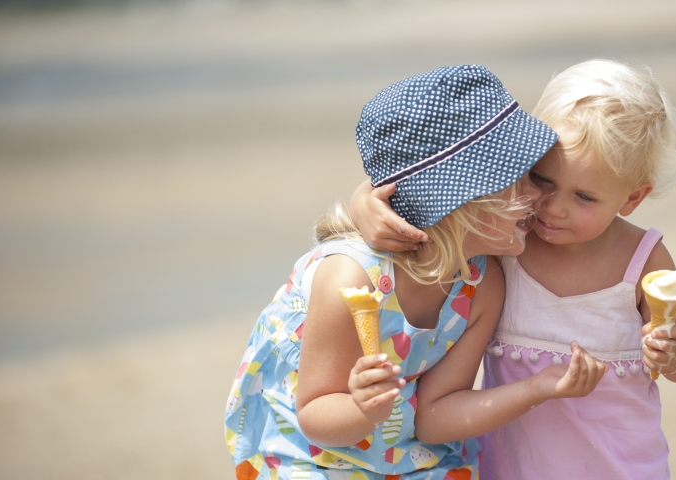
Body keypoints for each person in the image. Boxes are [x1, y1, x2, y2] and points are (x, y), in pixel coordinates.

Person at [224, 64, 610, 480]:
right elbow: (315, 415)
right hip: (306, 456)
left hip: (412, 456)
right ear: (458, 200)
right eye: (516, 180)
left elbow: (434, 416)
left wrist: (536, 389)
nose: (537, 193)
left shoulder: (481, 284)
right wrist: (361, 408)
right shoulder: (350, 279)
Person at [350, 59, 676, 479]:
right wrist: (363, 202)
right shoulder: (506, 246)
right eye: (542, 179)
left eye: (584, 197)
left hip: (623, 468)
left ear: (633, 198)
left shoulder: (642, 260)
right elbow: (430, 189)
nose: (553, 207)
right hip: (510, 468)